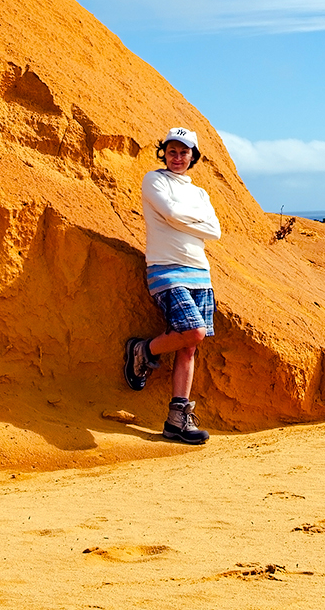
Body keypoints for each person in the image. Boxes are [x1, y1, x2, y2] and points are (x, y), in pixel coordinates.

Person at [124, 126, 221, 445]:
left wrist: (185, 219)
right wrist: (193, 221)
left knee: (190, 345)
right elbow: (169, 212)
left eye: (184, 152)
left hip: (199, 272)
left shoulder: (200, 193)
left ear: (193, 156)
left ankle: (177, 421)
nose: (178, 157)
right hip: (166, 268)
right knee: (192, 331)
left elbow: (214, 231)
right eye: (172, 151)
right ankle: (142, 350)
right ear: (163, 152)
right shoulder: (155, 180)